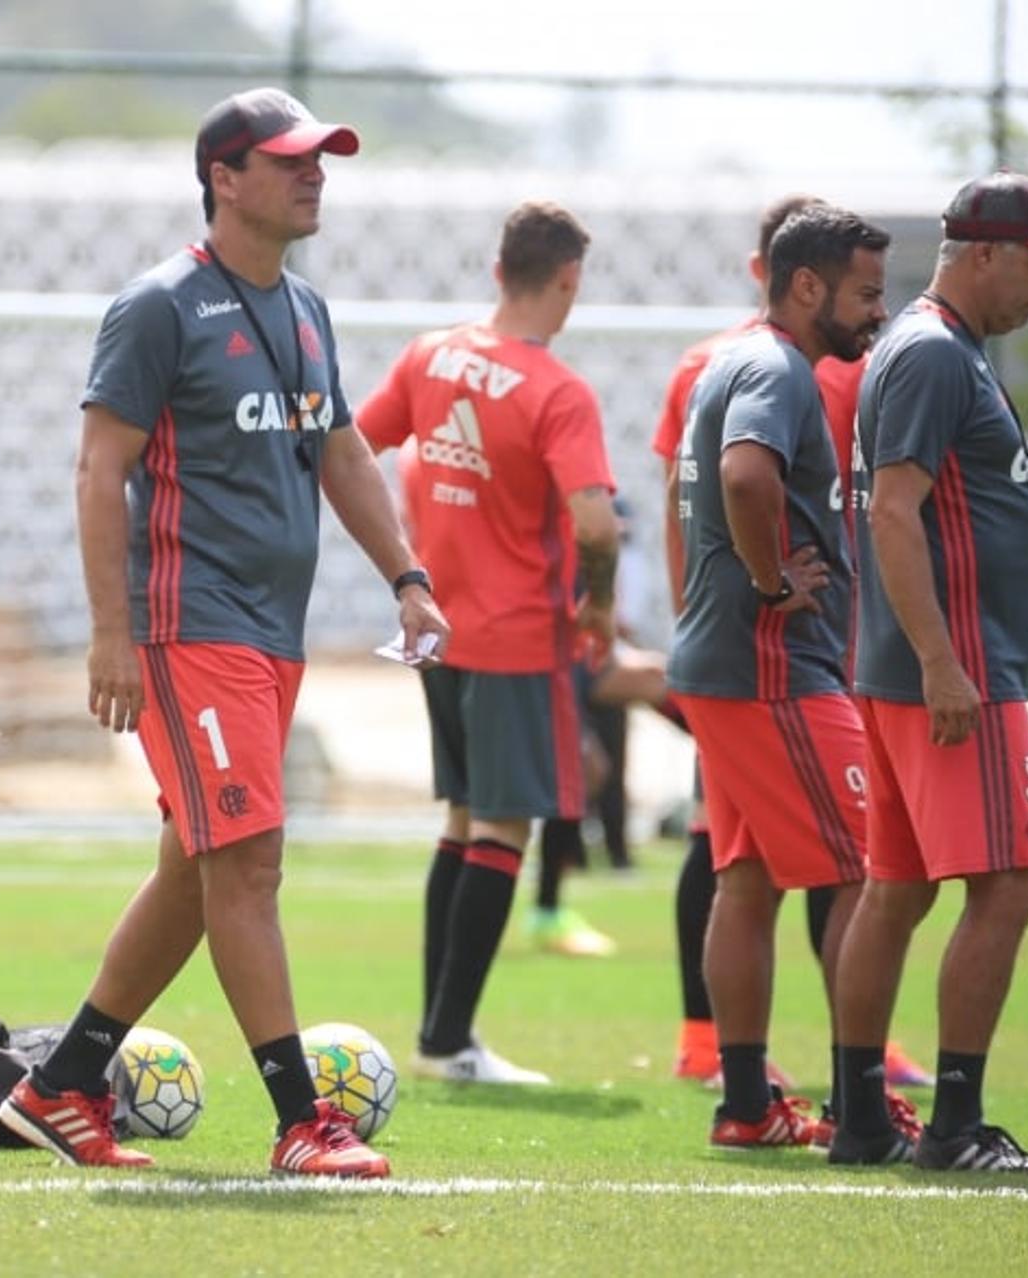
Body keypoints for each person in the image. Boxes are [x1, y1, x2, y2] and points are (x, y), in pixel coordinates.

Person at [0, 88, 448, 1177]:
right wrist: (111, 633)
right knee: (248, 867)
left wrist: (408, 574)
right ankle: (304, 1122)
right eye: (292, 159)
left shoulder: (307, 311)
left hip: (268, 639)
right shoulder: (158, 308)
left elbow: (341, 450)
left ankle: (60, 1087)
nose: (316, 174)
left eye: (322, 158)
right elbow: (98, 470)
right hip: (187, 631)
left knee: (201, 876)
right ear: (224, 178)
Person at [828, 172, 1028, 1172]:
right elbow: (893, 512)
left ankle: (862, 1117)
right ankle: (953, 1125)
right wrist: (946, 661)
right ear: (982, 253)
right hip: (956, 675)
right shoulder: (938, 351)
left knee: (896, 889)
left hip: (920, 669)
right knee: (1007, 886)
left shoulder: (940, 348)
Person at [653, 195, 929, 1092]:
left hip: (723, 662)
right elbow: (744, 475)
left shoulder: (733, 358)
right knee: (872, 871)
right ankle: (860, 1100)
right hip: (772, 665)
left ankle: (743, 1100)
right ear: (806, 285)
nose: (879, 312)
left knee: (748, 879)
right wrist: (772, 580)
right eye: (865, 294)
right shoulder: (777, 371)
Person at [355, 200, 618, 1080]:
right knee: (502, 828)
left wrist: (409, 555)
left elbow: (355, 445)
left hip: (437, 628)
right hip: (512, 639)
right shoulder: (558, 390)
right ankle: (447, 1042)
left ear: (499, 270)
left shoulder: (432, 353)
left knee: (462, 822)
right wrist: (600, 607)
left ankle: (439, 1034)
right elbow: (596, 524)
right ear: (568, 282)